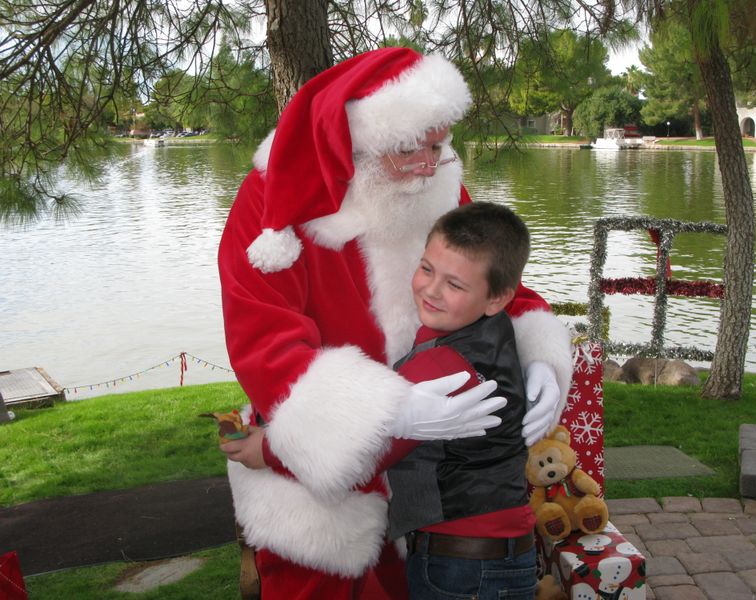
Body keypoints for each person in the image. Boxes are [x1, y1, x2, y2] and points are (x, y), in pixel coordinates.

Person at [217, 47, 573, 600]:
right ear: (361, 139)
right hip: (319, 496)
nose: (432, 164)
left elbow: (490, 278)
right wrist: (386, 413)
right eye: (414, 148)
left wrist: (540, 354)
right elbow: (263, 342)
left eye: (440, 144)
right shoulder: (269, 203)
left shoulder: (437, 182)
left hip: (429, 490)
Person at [388, 201, 539, 599]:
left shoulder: (447, 365)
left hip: (461, 568)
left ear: (497, 299)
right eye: (426, 268)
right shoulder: (490, 330)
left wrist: (264, 447)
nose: (431, 290)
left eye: (454, 285)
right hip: (499, 553)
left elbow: (364, 446)